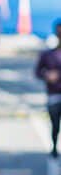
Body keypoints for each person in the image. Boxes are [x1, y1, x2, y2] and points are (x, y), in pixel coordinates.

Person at [34, 21, 61, 158]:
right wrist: (47, 75)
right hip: (54, 94)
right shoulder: (48, 55)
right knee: (55, 124)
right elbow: (38, 72)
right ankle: (54, 146)